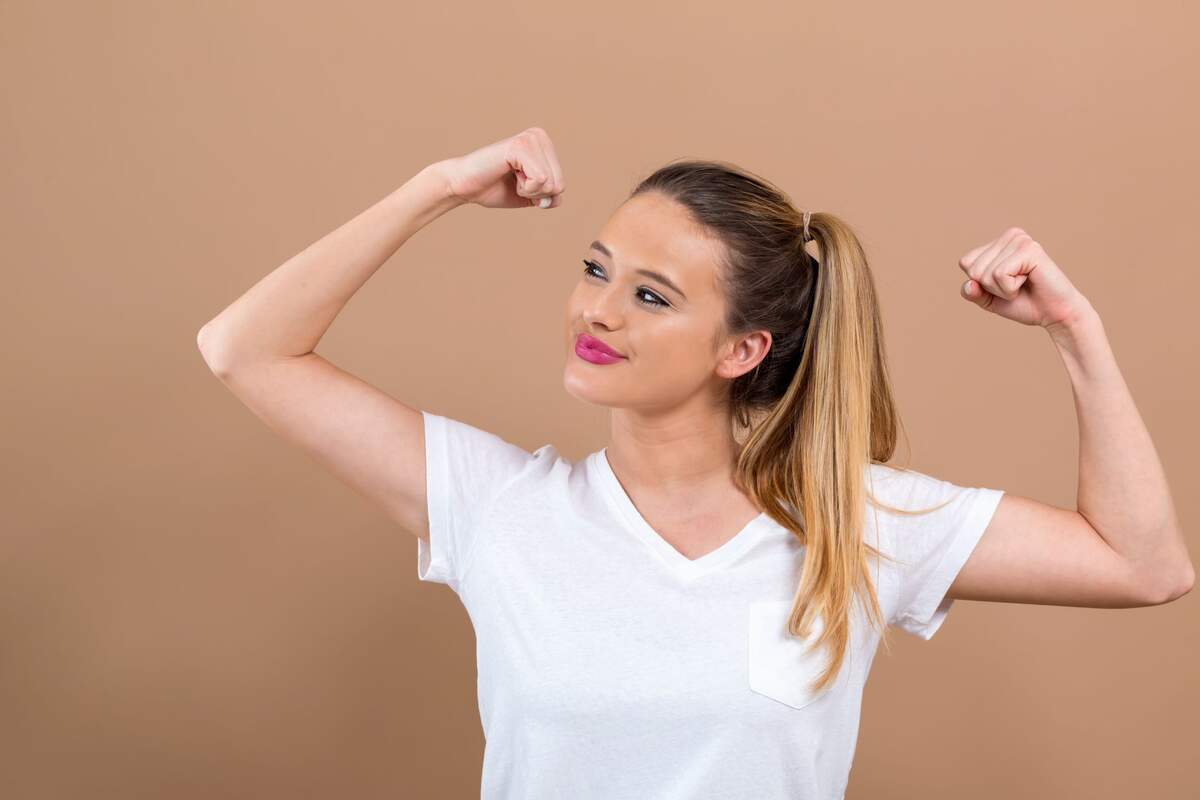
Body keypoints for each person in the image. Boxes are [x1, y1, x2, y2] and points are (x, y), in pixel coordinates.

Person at [197, 126, 1194, 799]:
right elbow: (245, 347)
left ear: (741, 349)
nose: (597, 308)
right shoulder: (496, 506)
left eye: (651, 295)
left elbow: (1144, 564)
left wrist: (1076, 329)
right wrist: (440, 187)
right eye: (596, 269)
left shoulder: (853, 523)